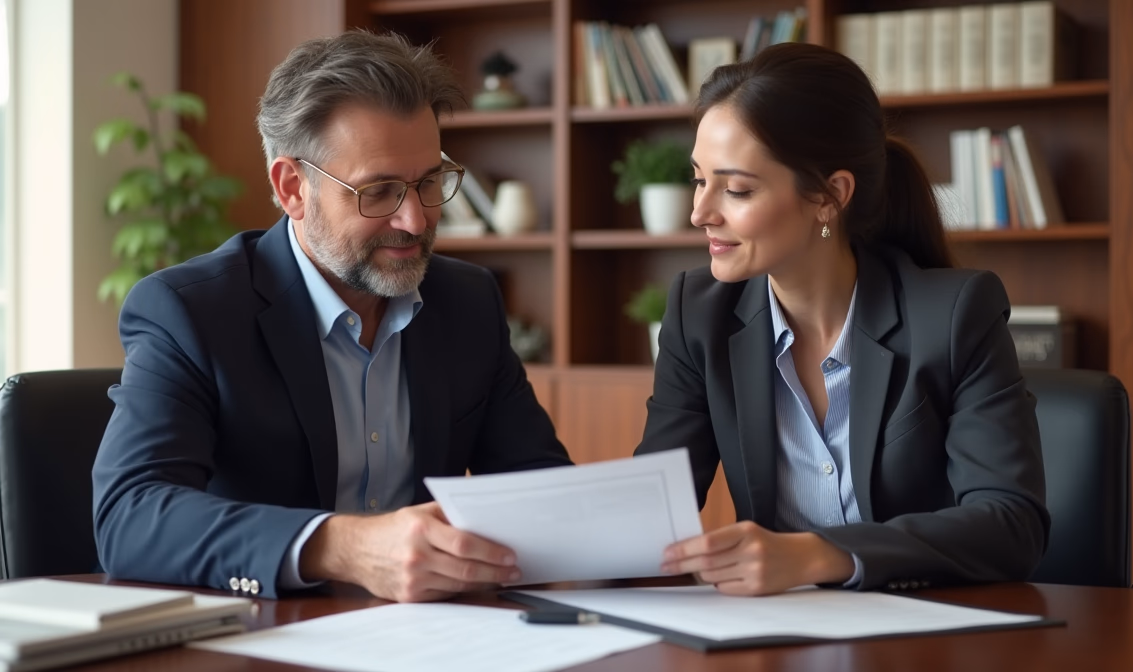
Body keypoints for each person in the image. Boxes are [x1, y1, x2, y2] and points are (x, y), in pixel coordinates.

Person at [92, 31, 571, 602]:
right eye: (380, 191)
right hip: (263, 639)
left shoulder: (467, 302)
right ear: (293, 188)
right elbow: (131, 515)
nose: (415, 221)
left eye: (428, 184)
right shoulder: (191, 312)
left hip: (432, 638)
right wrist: (342, 547)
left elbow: (539, 490)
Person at [635, 43, 1049, 595]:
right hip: (772, 639)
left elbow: (1011, 525)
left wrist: (820, 554)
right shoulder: (699, 314)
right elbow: (650, 511)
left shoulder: (953, 315)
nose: (700, 212)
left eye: (736, 189)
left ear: (830, 196)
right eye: (698, 179)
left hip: (927, 637)